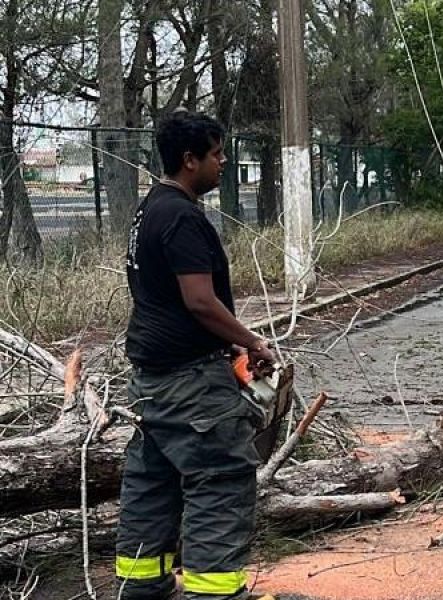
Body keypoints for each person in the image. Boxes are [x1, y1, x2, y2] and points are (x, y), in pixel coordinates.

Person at [116, 110, 276, 600]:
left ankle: (142, 587)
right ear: (190, 160)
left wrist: (227, 340)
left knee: (152, 483)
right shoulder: (183, 217)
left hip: (151, 381)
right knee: (220, 483)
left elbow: (167, 301)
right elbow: (199, 301)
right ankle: (214, 593)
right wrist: (251, 341)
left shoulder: (150, 210)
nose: (224, 162)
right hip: (192, 387)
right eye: (217, 154)